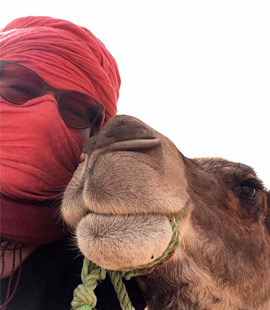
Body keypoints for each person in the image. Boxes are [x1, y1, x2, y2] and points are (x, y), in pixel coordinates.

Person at [0, 16, 146, 310]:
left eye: (75, 110)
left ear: (93, 137)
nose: (45, 116)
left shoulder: (112, 277)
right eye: (21, 89)